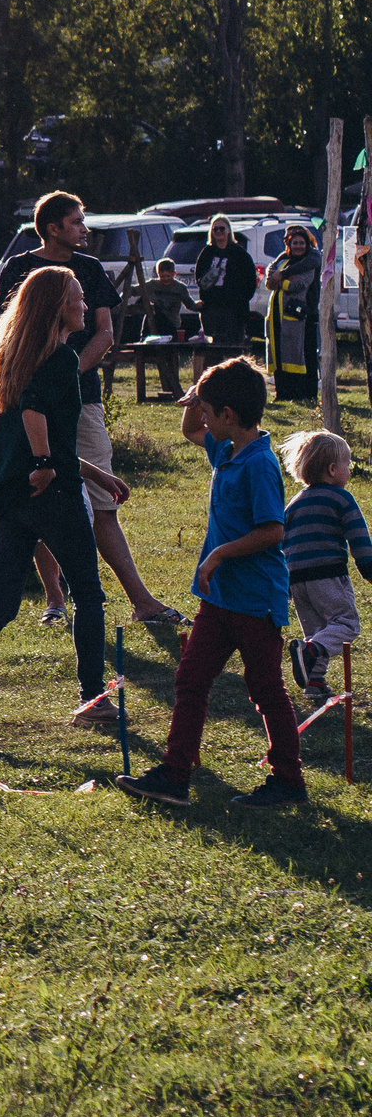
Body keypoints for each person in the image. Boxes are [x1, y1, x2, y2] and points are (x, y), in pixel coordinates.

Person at [0, 265, 131, 746]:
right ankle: (93, 697)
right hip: (49, 495)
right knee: (89, 593)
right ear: (57, 306)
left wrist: (94, 473)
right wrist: (45, 464)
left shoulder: (16, 362)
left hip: (7, 496)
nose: (84, 303)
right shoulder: (59, 361)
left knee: (2, 601)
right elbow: (37, 416)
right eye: (78, 296)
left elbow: (36, 425)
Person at [117, 358, 306, 809]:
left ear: (230, 416)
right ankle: (175, 775)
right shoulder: (227, 449)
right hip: (219, 598)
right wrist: (194, 399)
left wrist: (219, 553)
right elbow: (190, 431)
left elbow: (272, 531)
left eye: (207, 410)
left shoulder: (259, 464)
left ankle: (288, 782)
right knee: (190, 680)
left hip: (255, 601)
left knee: (265, 691)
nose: (201, 417)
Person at [0, 190, 181, 629]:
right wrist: (38, 385)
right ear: (53, 227)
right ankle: (55, 600)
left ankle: (142, 600)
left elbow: (105, 332)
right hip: (26, 401)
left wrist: (66, 375)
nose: (85, 228)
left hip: (84, 399)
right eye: (77, 222)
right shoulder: (18, 269)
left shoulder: (90, 269)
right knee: (38, 492)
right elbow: (6, 333)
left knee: (101, 501)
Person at [276, 429, 367, 706]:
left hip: (297, 578)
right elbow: (359, 539)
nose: (349, 470)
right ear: (332, 469)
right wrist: (369, 569)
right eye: (347, 464)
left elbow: (283, 543)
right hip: (327, 575)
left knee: (315, 631)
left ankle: (314, 683)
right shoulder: (342, 499)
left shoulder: (294, 503)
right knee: (346, 624)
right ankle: (312, 652)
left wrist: (286, 585)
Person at [264, 223, 322, 403]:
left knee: (306, 355)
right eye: (292, 241)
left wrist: (282, 279)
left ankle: (309, 394)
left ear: (306, 241)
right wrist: (275, 276)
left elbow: (300, 283)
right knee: (282, 354)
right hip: (280, 316)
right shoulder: (283, 258)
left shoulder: (312, 257)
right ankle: (283, 393)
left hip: (306, 314)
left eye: (300, 242)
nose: (297, 246)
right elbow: (270, 275)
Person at [193, 214, 258, 345]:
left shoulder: (239, 254)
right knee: (215, 350)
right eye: (215, 229)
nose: (218, 232)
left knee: (233, 350)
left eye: (221, 228)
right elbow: (199, 277)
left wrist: (240, 300)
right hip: (212, 309)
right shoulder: (207, 252)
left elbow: (250, 281)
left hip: (234, 310)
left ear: (228, 230)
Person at [141, 258, 197, 398]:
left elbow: (189, 304)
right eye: (162, 276)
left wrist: (198, 306)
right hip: (155, 324)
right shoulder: (152, 285)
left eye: (168, 276)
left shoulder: (179, 288)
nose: (165, 279)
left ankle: (173, 386)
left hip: (170, 324)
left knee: (170, 355)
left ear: (174, 274)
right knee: (153, 314)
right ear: (157, 274)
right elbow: (135, 290)